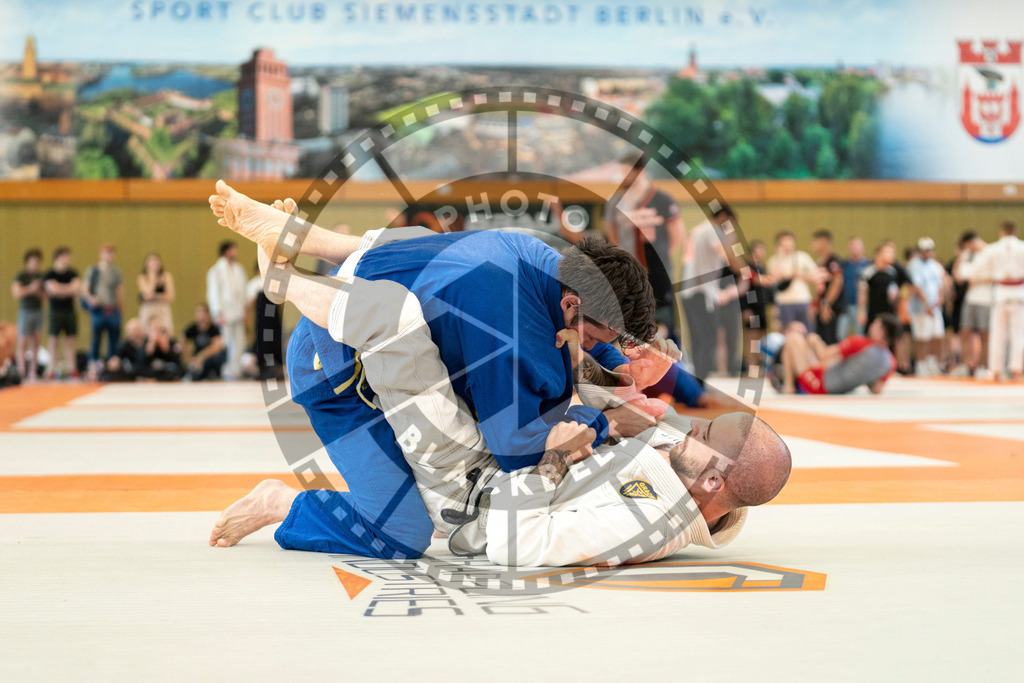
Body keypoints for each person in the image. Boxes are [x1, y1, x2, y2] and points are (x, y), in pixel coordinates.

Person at [210, 229, 792, 566]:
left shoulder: (648, 516)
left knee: (401, 532)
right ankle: (310, 265)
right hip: (336, 354)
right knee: (442, 319)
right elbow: (605, 405)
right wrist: (623, 383)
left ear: (715, 483)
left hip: (402, 426)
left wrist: (578, 439)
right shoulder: (690, 473)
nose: (688, 429)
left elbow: (518, 530)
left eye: (704, 436)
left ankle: (282, 505)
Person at [207, 181, 669, 560]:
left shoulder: (543, 256)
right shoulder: (515, 335)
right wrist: (600, 421)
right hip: (336, 373)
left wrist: (618, 360)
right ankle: (282, 504)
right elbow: (513, 450)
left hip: (372, 278)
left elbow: (574, 333)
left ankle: (311, 242)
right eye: (598, 338)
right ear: (572, 304)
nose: (596, 346)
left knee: (438, 269)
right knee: (402, 533)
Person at [604, 151, 685, 340]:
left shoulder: (664, 200)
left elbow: (677, 235)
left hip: (657, 270)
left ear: (640, 171)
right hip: (629, 270)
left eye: (627, 172)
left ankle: (660, 355)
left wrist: (662, 256)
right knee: (628, 316)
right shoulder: (616, 201)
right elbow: (612, 234)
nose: (623, 177)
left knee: (662, 316)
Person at [774, 314, 900, 395]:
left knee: (793, 338)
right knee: (803, 344)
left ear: (882, 332)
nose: (871, 326)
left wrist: (815, 341)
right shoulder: (890, 362)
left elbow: (823, 355)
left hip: (818, 385)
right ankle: (789, 384)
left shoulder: (861, 343)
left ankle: (789, 388)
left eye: (875, 324)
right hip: (836, 388)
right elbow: (876, 390)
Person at [962, 220, 1024, 381]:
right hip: (1018, 294)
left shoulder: (993, 249)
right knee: (1018, 335)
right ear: (1015, 232)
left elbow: (974, 270)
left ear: (1002, 232)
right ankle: (1017, 369)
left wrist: (965, 270)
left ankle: (995, 370)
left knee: (998, 334)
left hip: (1000, 294)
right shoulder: (1022, 247)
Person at [681, 205, 738, 379]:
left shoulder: (696, 230)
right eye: (730, 223)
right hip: (702, 292)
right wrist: (731, 239)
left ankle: (697, 379)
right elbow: (730, 260)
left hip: (688, 290)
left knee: (697, 338)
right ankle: (701, 381)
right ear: (722, 216)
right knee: (709, 338)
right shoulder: (713, 231)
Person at [206, 241, 248, 380]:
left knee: (240, 342)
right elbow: (213, 293)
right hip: (225, 312)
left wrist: (245, 310)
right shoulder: (216, 271)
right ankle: (226, 369)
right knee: (226, 343)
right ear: (226, 251)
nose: (236, 252)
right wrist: (217, 312)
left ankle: (235, 370)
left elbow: (243, 292)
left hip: (238, 311)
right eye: (233, 250)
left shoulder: (238, 269)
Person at [81, 244, 124, 375]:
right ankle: (93, 369)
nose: (109, 256)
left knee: (114, 341)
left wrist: (120, 310)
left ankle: (112, 369)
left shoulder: (116, 272)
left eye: (111, 253)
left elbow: (120, 292)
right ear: (101, 254)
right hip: (98, 310)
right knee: (95, 340)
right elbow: (85, 289)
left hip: (112, 309)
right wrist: (90, 299)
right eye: (106, 253)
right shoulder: (93, 270)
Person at [906, 237, 947, 376]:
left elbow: (941, 284)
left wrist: (939, 300)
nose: (927, 253)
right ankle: (921, 364)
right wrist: (927, 305)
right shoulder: (914, 265)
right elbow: (917, 287)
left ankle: (933, 363)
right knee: (922, 337)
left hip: (935, 307)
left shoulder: (935, 266)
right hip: (921, 308)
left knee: (937, 335)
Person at [953, 232, 991, 378]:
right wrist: (962, 259)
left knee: (984, 334)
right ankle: (965, 364)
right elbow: (959, 277)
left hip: (985, 298)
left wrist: (973, 275)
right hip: (971, 297)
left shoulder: (989, 252)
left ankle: (983, 366)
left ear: (973, 241)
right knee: (965, 331)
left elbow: (991, 275)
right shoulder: (968, 254)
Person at [766, 231, 818, 331]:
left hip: (803, 300)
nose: (787, 245)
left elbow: (815, 276)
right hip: (784, 302)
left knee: (807, 331)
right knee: (787, 333)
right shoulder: (774, 260)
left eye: (790, 241)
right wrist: (780, 256)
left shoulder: (802, 257)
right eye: (784, 242)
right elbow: (772, 278)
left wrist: (800, 274)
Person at [42, 246, 80, 380]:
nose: (68, 259)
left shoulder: (72, 273)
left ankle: (72, 369)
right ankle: (51, 369)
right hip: (55, 311)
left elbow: (76, 289)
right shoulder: (49, 274)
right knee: (53, 341)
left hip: (69, 311)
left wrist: (60, 289)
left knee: (70, 340)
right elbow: (53, 290)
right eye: (66, 256)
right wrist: (67, 289)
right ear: (58, 257)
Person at [11, 248, 46, 382]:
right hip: (25, 311)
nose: (35, 264)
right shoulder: (21, 276)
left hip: (38, 311)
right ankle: (21, 371)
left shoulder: (41, 276)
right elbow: (16, 293)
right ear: (27, 262)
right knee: (22, 342)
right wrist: (31, 288)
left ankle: (33, 372)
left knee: (36, 342)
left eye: (37, 261)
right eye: (32, 261)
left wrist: (37, 290)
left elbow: (45, 296)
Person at [811, 230, 845, 345]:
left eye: (815, 241)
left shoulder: (833, 261)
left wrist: (826, 304)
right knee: (821, 339)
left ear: (824, 242)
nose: (813, 245)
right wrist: (815, 304)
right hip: (821, 307)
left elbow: (837, 282)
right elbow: (819, 287)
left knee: (830, 339)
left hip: (831, 308)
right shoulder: (821, 262)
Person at [183, 303, 227, 381]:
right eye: (198, 312)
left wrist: (201, 356)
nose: (200, 315)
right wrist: (190, 359)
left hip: (208, 358)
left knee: (220, 355)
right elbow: (182, 343)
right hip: (196, 359)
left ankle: (213, 374)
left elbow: (217, 346)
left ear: (207, 315)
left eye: (202, 312)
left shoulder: (213, 329)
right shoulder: (192, 328)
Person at [838, 237, 870, 340]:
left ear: (863, 248)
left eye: (857, 246)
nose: (855, 248)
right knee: (840, 335)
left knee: (859, 335)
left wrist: (863, 307)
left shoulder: (868, 265)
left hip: (861, 307)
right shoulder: (844, 265)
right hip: (846, 306)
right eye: (852, 246)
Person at [137, 253, 175, 334]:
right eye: (151, 261)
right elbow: (148, 292)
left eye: (156, 261)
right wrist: (153, 277)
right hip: (148, 308)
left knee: (167, 331)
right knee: (145, 331)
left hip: (162, 308)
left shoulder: (166, 276)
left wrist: (154, 297)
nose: (154, 263)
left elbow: (171, 296)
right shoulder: (142, 277)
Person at [101, 317, 146, 382]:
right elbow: (116, 359)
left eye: (136, 330)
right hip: (131, 373)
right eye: (132, 331)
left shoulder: (147, 343)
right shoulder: (124, 345)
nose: (135, 333)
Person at [141, 315, 182, 381]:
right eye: (155, 329)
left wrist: (166, 349)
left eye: (160, 329)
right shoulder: (144, 343)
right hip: (150, 375)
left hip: (167, 374)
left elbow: (178, 362)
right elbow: (142, 363)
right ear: (148, 331)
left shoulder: (170, 342)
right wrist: (151, 344)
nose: (158, 332)